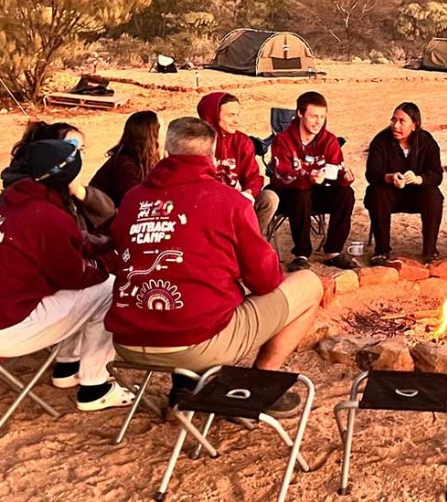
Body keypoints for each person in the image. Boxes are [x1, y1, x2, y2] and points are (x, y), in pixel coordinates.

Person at [106, 117, 322, 415]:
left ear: (167, 151)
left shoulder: (133, 199)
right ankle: (253, 387)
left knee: (193, 292)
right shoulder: (229, 202)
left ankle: (186, 385)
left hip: (128, 342)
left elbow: (117, 253)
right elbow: (265, 280)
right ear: (212, 155)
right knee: (309, 284)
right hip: (193, 344)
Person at [0, 140, 134, 411]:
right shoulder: (47, 216)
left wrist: (107, 242)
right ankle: (95, 386)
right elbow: (76, 275)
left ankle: (68, 365)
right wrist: (114, 259)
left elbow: (70, 245)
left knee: (72, 290)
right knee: (110, 288)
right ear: (67, 176)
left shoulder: (15, 202)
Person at [268, 91, 359, 272]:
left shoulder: (329, 140)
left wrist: (344, 178)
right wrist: (307, 177)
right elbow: (283, 176)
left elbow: (334, 174)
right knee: (301, 193)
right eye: (313, 116)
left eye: (322, 117)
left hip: (315, 189)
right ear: (300, 114)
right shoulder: (283, 140)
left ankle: (333, 252)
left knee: (346, 193)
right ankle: (301, 254)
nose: (318, 122)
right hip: (288, 193)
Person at [364, 102, 445, 265]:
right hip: (389, 194)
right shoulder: (381, 141)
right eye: (394, 120)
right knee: (375, 193)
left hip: (417, 194)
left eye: (402, 121)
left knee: (434, 195)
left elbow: (437, 174)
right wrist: (390, 177)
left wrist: (419, 179)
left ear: (414, 125)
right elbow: (372, 174)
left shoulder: (426, 142)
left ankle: (430, 251)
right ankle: (381, 250)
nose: (396, 125)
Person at [1, 121, 116, 233]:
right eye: (71, 150)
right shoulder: (26, 195)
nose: (77, 157)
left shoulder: (66, 190)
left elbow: (108, 213)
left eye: (81, 150)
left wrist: (80, 192)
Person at [197, 92, 281, 230]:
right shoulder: (196, 142)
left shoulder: (241, 141)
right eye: (231, 115)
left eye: (237, 115)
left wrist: (248, 193)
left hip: (234, 201)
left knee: (269, 198)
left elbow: (253, 176)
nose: (237, 121)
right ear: (212, 115)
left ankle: (251, 244)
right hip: (205, 203)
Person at [89, 110, 162, 208]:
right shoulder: (124, 166)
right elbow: (134, 203)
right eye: (163, 130)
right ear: (153, 136)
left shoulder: (142, 159)